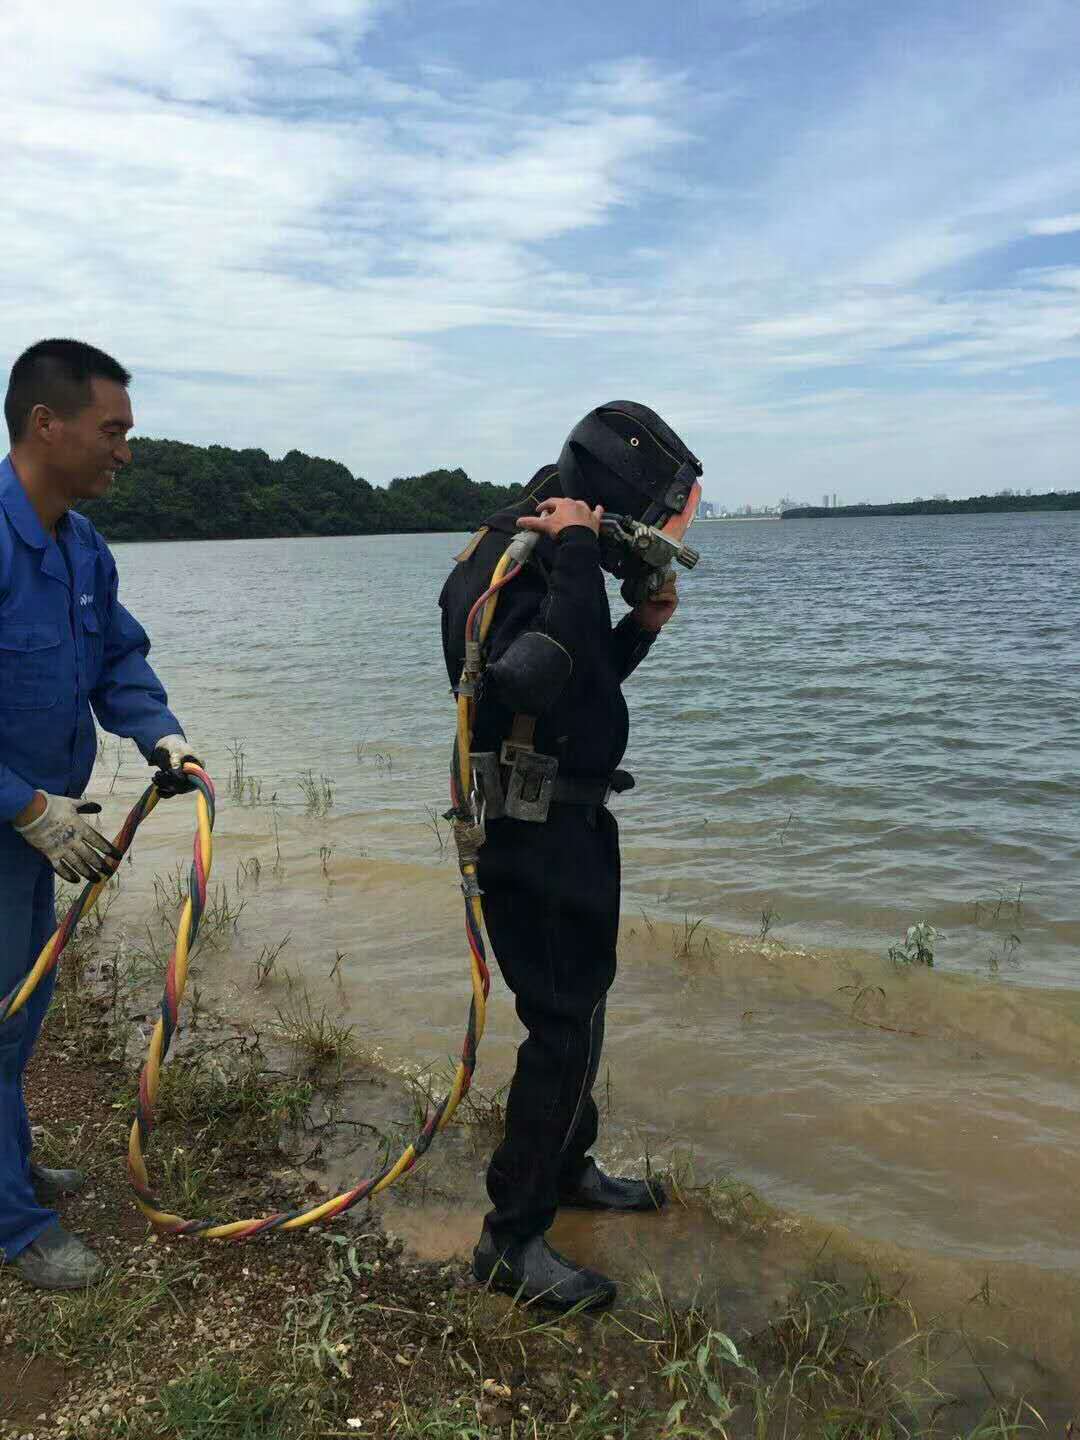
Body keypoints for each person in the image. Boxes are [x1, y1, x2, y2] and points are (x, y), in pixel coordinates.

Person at [439, 401, 702, 1309]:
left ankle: (569, 1166)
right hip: (536, 830)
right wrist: (583, 555)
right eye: (667, 516)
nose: (665, 539)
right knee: (560, 1023)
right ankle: (510, 1241)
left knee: (580, 1007)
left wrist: (639, 629)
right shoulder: (521, 555)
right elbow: (520, 678)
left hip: (566, 822)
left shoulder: (549, 554)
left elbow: (569, 685)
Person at [0, 340, 200, 1290]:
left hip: (35, 838)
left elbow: (118, 662)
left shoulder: (83, 547)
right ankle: (13, 1222)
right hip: (17, 824)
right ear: (48, 424)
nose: (125, 451)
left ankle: (10, 1167)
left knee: (21, 1011)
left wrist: (159, 736)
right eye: (112, 430)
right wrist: (27, 805)